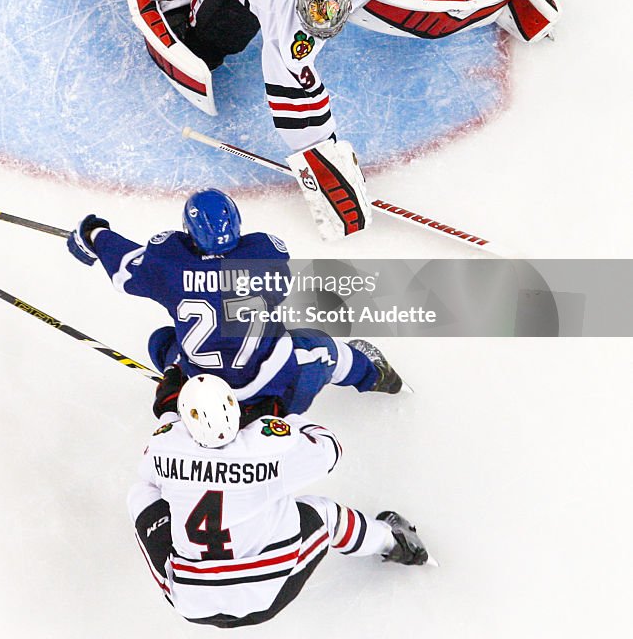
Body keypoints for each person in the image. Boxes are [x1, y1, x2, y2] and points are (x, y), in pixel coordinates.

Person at [85, 0, 559, 237]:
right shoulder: (284, 27)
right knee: (198, 47)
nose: (321, 36)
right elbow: (296, 105)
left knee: (413, 5)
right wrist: (322, 162)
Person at [129, 373, 432, 628]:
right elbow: (330, 450)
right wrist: (284, 418)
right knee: (322, 513)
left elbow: (159, 455)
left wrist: (170, 414)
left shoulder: (163, 444)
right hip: (264, 593)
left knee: (142, 493)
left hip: (192, 601)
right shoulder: (267, 445)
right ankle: (396, 545)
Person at [67, 187, 403, 414]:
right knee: (322, 348)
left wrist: (95, 235)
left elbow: (127, 269)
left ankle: (183, 380)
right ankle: (377, 376)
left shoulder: (166, 266)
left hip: (205, 388)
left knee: (161, 341)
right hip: (273, 381)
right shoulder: (266, 256)